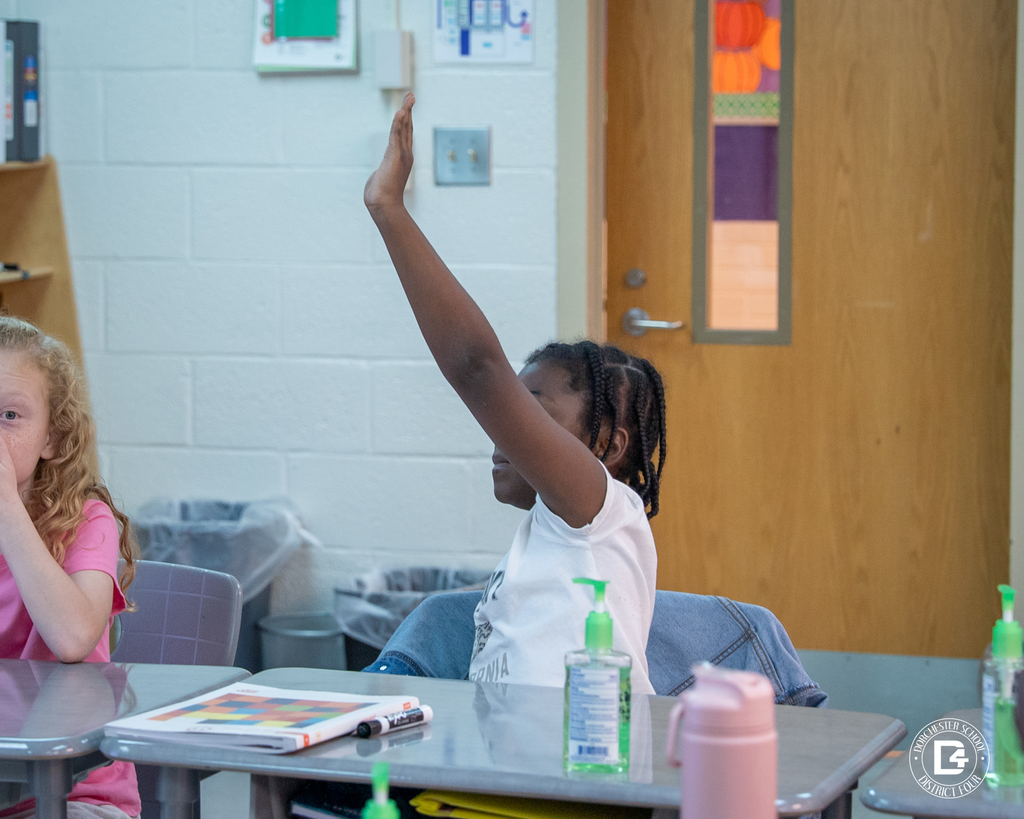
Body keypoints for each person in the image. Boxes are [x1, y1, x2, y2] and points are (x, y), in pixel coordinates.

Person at [364, 94, 667, 694]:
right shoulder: (550, 536)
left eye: (531, 408)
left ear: (606, 443)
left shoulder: (599, 511)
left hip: (582, 773)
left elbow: (478, 368)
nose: (503, 426)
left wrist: (389, 209)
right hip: (507, 766)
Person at [0, 316, 140, 819]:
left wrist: (7, 509)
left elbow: (74, 638)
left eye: (9, 416)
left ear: (52, 439)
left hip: (77, 794)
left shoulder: (86, 520)